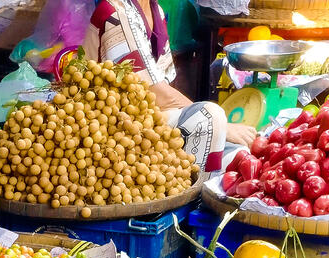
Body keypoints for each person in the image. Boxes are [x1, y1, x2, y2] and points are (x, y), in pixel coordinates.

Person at [72, 0, 259, 170]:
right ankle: (196, 197)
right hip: (105, 129)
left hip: (143, 119)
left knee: (237, 152)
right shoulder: (117, 12)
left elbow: (164, 86)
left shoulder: (157, 11)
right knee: (210, 117)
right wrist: (224, 127)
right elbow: (155, 93)